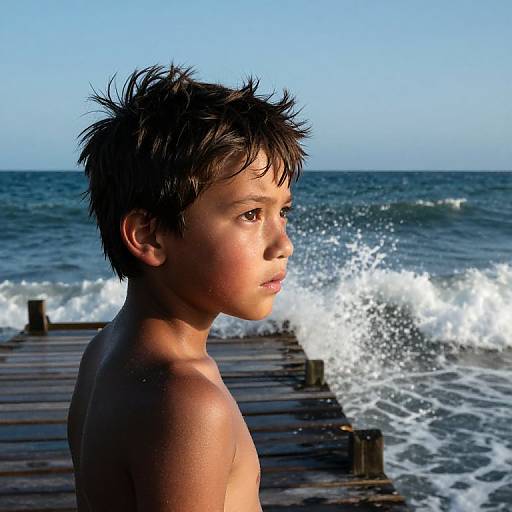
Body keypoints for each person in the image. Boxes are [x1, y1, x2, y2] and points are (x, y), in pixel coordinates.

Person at [67, 64, 309, 511]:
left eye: (283, 212)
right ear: (149, 236)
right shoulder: (185, 402)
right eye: (251, 215)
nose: (283, 244)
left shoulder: (104, 350)